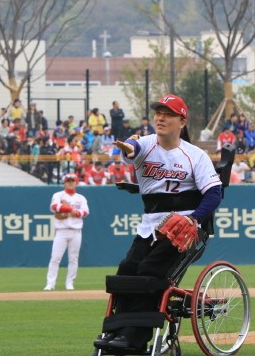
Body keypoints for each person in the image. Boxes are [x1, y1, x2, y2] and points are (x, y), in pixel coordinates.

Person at [95, 93, 222, 352]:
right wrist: (130, 148)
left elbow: (213, 193)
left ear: (181, 121)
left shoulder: (194, 155)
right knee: (127, 269)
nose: (161, 118)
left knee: (150, 272)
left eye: (168, 114)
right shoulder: (145, 144)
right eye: (158, 113)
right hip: (150, 226)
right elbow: (134, 148)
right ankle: (116, 331)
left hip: (183, 230)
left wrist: (193, 219)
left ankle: (134, 337)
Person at [44, 173, 89, 291]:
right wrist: (70, 209)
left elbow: (85, 212)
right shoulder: (58, 195)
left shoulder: (80, 198)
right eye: (68, 180)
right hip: (61, 231)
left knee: (73, 258)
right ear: (64, 182)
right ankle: (50, 284)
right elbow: (54, 206)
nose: (70, 182)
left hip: (76, 231)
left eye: (72, 180)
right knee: (55, 258)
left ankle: (70, 283)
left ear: (76, 182)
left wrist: (75, 212)